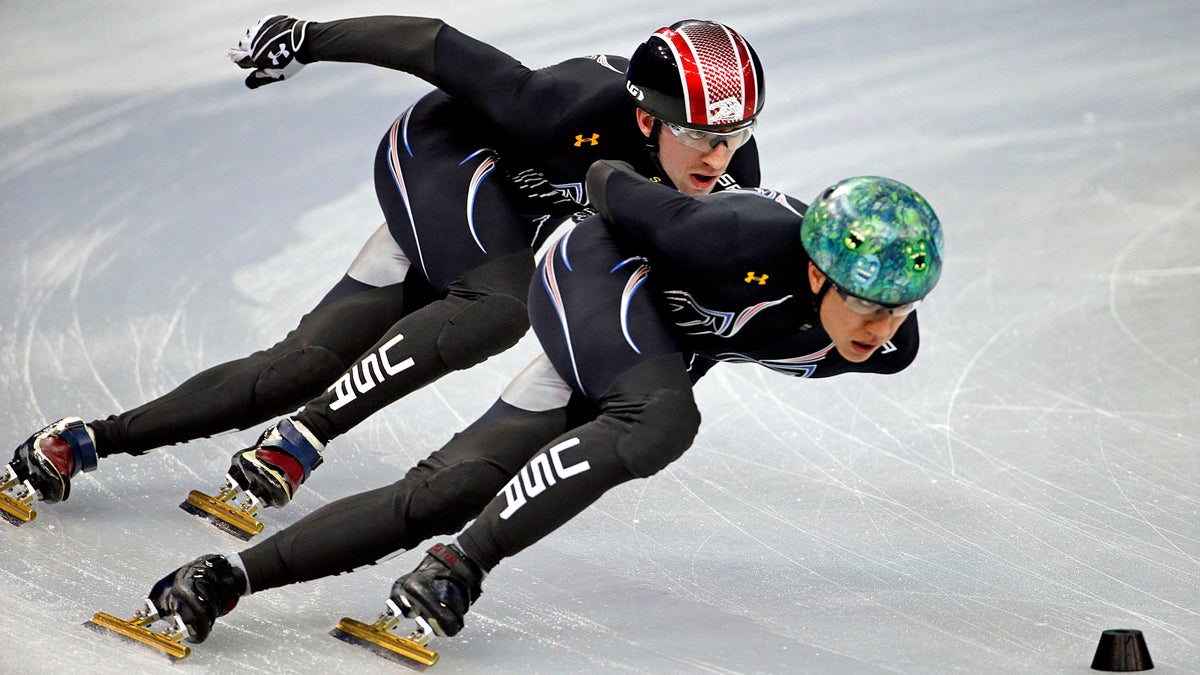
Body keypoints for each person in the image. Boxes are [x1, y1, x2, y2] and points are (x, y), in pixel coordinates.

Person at [141, 162, 944, 646]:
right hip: (596, 272)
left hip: (648, 349)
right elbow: (606, 185)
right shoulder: (731, 235)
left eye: (901, 309)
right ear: (813, 274)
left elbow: (726, 333)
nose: (883, 329)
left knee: (452, 487)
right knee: (662, 418)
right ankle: (458, 566)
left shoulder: (882, 346)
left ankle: (219, 578)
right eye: (869, 307)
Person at [1, 15, 765, 518]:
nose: (717, 156)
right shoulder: (560, 106)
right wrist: (305, 37)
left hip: (502, 219)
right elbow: (432, 43)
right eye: (698, 135)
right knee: (502, 301)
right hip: (446, 156)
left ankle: (86, 438)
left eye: (735, 136)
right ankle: (308, 432)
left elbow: (688, 298)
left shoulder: (725, 174)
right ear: (643, 117)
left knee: (297, 364)